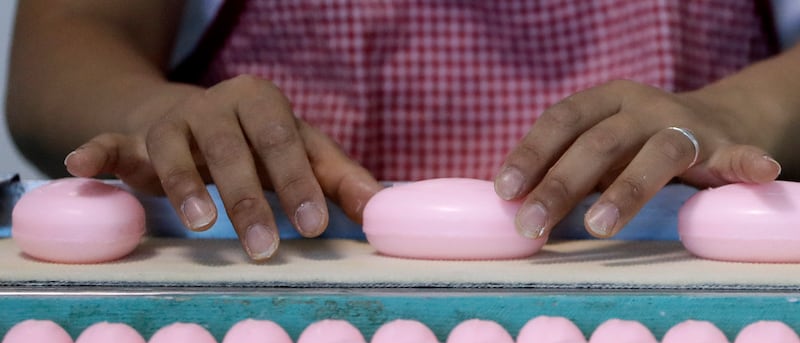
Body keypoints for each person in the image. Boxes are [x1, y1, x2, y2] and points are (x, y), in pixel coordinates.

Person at [6, 0, 799, 261]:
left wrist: (741, 115)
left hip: (659, 284)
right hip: (270, 273)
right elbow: (72, 32)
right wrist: (152, 117)